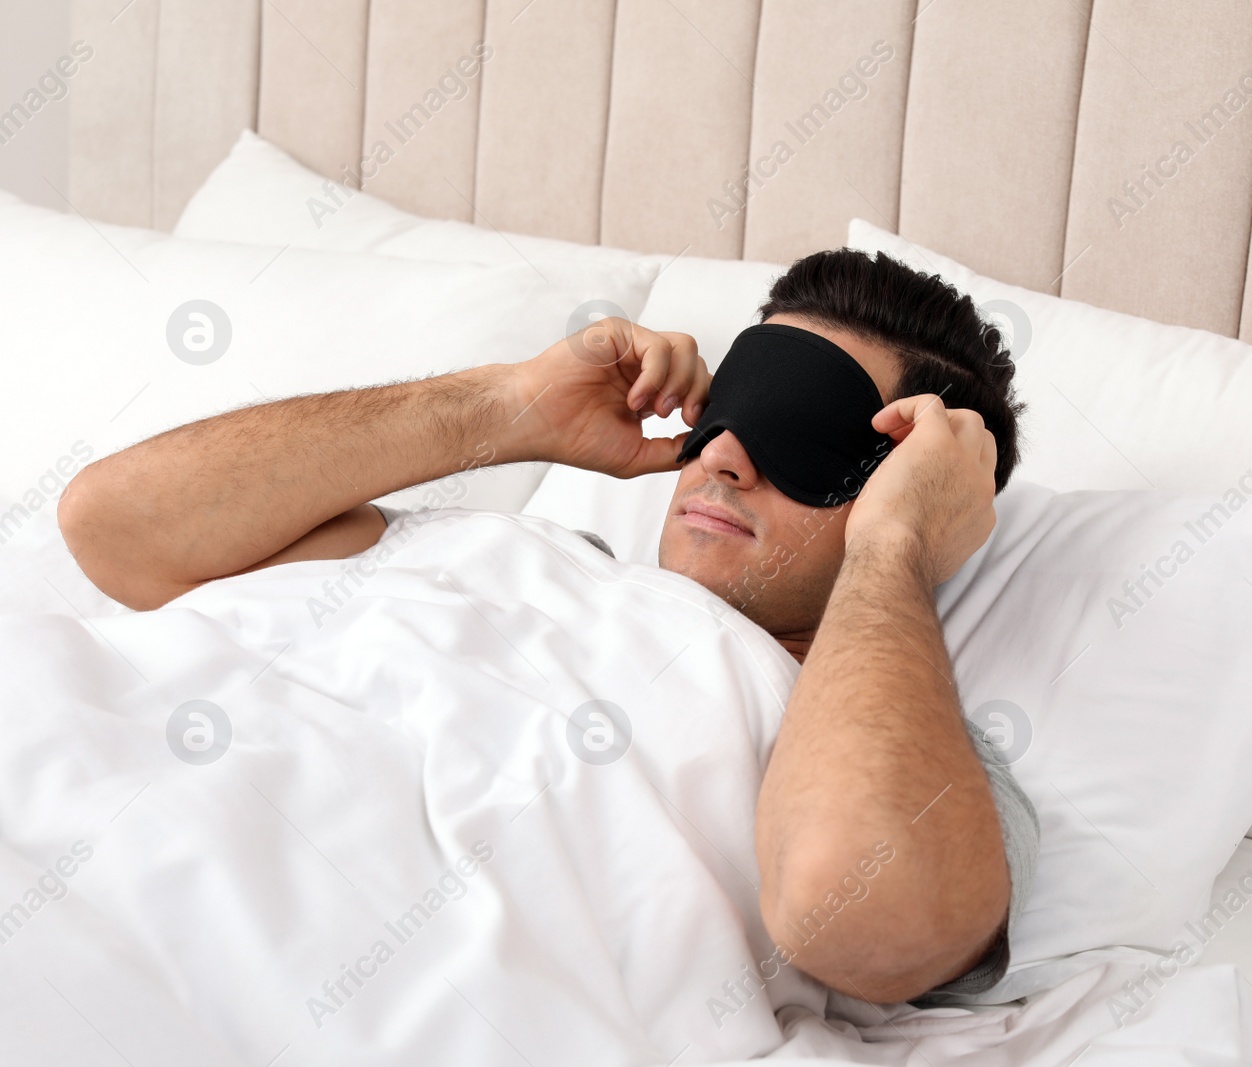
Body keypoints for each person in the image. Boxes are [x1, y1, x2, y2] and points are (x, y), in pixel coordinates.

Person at [58, 248, 1037, 1006]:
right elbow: (114, 528)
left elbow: (862, 917)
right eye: (732, 408)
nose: (725, 456)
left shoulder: (919, 759)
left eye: (805, 436)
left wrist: (896, 544)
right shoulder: (510, 552)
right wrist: (507, 406)